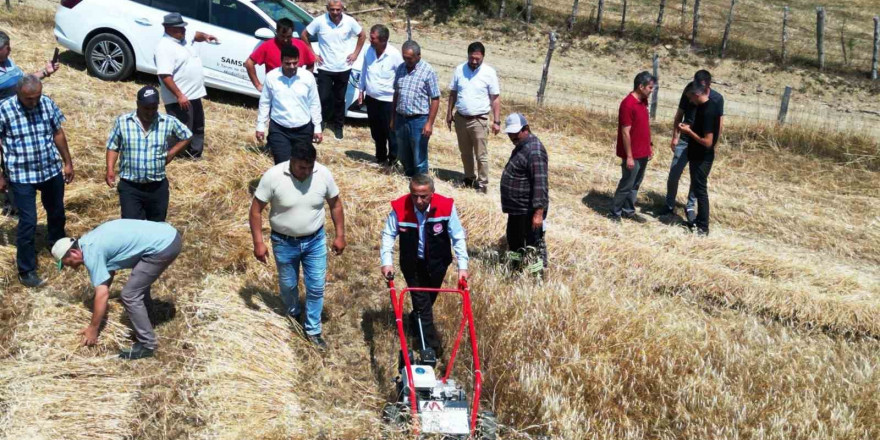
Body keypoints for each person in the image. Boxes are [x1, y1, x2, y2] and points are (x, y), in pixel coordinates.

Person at [249, 141, 346, 351]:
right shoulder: (273, 176)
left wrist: (340, 234)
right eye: (302, 167)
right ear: (291, 161)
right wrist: (258, 242)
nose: (307, 172)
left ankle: (313, 330)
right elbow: (256, 210)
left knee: (316, 286)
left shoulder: (323, 174)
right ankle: (293, 313)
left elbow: (335, 204)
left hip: (315, 240)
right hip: (284, 242)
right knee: (288, 284)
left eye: (310, 167)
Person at [52, 220, 183, 360]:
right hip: (167, 235)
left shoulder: (91, 253)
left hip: (163, 246)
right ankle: (148, 317)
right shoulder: (89, 241)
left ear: (73, 252)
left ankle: (147, 345)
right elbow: (108, 272)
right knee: (137, 284)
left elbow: (102, 294)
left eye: (67, 263)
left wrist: (93, 328)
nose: (70, 267)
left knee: (130, 295)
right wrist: (101, 291)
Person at [380, 174, 468, 356]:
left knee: (427, 301)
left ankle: (414, 320)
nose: (418, 201)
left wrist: (463, 267)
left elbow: (457, 237)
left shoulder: (446, 207)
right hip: (412, 264)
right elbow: (388, 235)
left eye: (423, 196)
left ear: (432, 193)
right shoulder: (399, 208)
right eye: (414, 196)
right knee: (422, 305)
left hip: (438, 262)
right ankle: (430, 348)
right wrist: (386, 262)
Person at [0, 75, 74, 288]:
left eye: (37, 97)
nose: (34, 103)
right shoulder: (5, 110)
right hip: (22, 175)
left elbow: (58, 133)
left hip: (50, 170)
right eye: (29, 99)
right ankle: (26, 270)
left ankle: (58, 248)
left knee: (57, 212)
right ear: (19, 93)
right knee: (28, 222)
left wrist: (67, 162)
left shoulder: (47, 103)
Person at [105, 86, 193, 222]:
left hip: (157, 187)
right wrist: (110, 169)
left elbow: (187, 135)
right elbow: (113, 146)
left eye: (154, 108)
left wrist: (171, 153)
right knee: (132, 226)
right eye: (146, 108)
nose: (150, 112)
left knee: (156, 226)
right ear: (138, 104)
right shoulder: (123, 122)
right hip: (130, 186)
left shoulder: (167, 121)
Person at [1, 31, 61, 216]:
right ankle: (13, 206)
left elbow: (21, 83)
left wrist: (44, 72)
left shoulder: (8, 64)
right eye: (5, 49)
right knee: (9, 164)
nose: (9, 51)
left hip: (20, 118)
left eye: (8, 47)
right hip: (5, 121)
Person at [154, 13, 217, 159]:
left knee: (197, 125)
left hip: (194, 95)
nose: (183, 31)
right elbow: (165, 76)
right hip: (179, 98)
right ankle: (174, 156)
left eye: (183, 28)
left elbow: (196, 35)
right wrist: (179, 95)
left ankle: (194, 155)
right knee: (181, 129)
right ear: (167, 28)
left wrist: (206, 36)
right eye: (179, 29)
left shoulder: (182, 39)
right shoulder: (164, 47)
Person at [663, 69, 724, 220]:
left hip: (702, 143)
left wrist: (713, 144)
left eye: (702, 85)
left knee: (696, 177)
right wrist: (675, 137)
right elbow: (679, 115)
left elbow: (719, 124)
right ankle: (669, 204)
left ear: (708, 84)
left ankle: (690, 206)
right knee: (674, 173)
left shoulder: (717, 99)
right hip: (685, 139)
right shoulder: (689, 90)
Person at [301, 0, 366, 140]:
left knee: (339, 99)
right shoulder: (320, 21)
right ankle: (319, 123)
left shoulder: (349, 21)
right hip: (325, 67)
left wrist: (355, 54)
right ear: (327, 9)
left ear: (342, 8)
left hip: (344, 67)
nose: (335, 12)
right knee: (322, 98)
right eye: (332, 9)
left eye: (338, 9)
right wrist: (312, 53)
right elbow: (304, 34)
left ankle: (338, 126)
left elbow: (362, 35)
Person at [445, 42, 501, 194]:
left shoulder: (489, 72)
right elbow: (453, 93)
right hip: (461, 118)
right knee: (465, 152)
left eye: (478, 58)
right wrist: (449, 113)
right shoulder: (459, 69)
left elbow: (495, 98)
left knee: (481, 155)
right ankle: (469, 178)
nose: (474, 61)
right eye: (472, 58)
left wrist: (496, 121)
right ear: (467, 55)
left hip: (479, 120)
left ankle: (482, 184)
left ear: (483, 56)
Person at [256, 45, 323, 165]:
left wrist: (317, 127)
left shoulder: (308, 77)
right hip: (279, 129)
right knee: (282, 165)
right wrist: (260, 125)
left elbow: (314, 103)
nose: (292, 67)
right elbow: (265, 102)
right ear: (281, 61)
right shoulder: (272, 77)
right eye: (287, 63)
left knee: (301, 165)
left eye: (295, 63)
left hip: (303, 130)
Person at [500, 113, 548, 272]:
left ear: (526, 129)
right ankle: (515, 269)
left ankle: (537, 275)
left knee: (534, 245)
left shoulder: (534, 150)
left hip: (528, 210)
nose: (513, 137)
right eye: (510, 135)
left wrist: (538, 213)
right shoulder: (522, 146)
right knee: (514, 241)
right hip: (517, 210)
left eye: (516, 134)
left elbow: (540, 183)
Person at [678, 82, 723, 235]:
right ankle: (699, 221)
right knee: (698, 189)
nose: (689, 101)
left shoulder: (708, 111)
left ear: (696, 94)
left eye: (690, 97)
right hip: (697, 155)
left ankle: (703, 227)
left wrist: (688, 132)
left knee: (700, 191)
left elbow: (708, 141)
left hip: (703, 157)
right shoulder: (706, 106)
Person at [610, 71, 655, 223]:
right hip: (632, 154)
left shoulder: (643, 101)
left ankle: (628, 211)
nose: (651, 90)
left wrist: (650, 145)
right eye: (650, 87)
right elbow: (625, 132)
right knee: (627, 183)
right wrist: (629, 156)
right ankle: (615, 213)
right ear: (641, 86)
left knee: (636, 183)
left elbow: (644, 126)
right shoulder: (628, 104)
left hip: (643, 151)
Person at [392, 40, 440, 177]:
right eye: (404, 57)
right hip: (401, 118)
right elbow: (396, 93)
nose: (406, 60)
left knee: (419, 157)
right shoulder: (400, 68)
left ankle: (421, 182)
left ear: (418, 56)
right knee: (403, 154)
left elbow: (435, 98)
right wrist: (393, 118)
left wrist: (429, 123)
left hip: (419, 120)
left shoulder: (428, 71)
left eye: (409, 58)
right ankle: (408, 179)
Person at [357, 24, 403, 166]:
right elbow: (364, 70)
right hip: (372, 98)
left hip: (388, 101)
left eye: (373, 38)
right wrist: (361, 90)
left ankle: (393, 160)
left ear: (383, 40)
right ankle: (381, 158)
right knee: (376, 131)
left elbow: (401, 76)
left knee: (390, 132)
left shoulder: (394, 55)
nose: (370, 40)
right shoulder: (368, 51)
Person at [245, 18, 317, 92]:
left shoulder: (300, 45)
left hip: (296, 90)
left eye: (288, 37)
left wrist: (306, 81)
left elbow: (310, 63)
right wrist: (258, 85)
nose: (285, 40)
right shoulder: (267, 46)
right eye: (282, 36)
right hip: (274, 90)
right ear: (277, 32)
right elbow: (249, 63)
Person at [0, 31, 60, 100]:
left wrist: (46, 71)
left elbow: (23, 80)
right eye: (7, 48)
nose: (10, 50)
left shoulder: (7, 61)